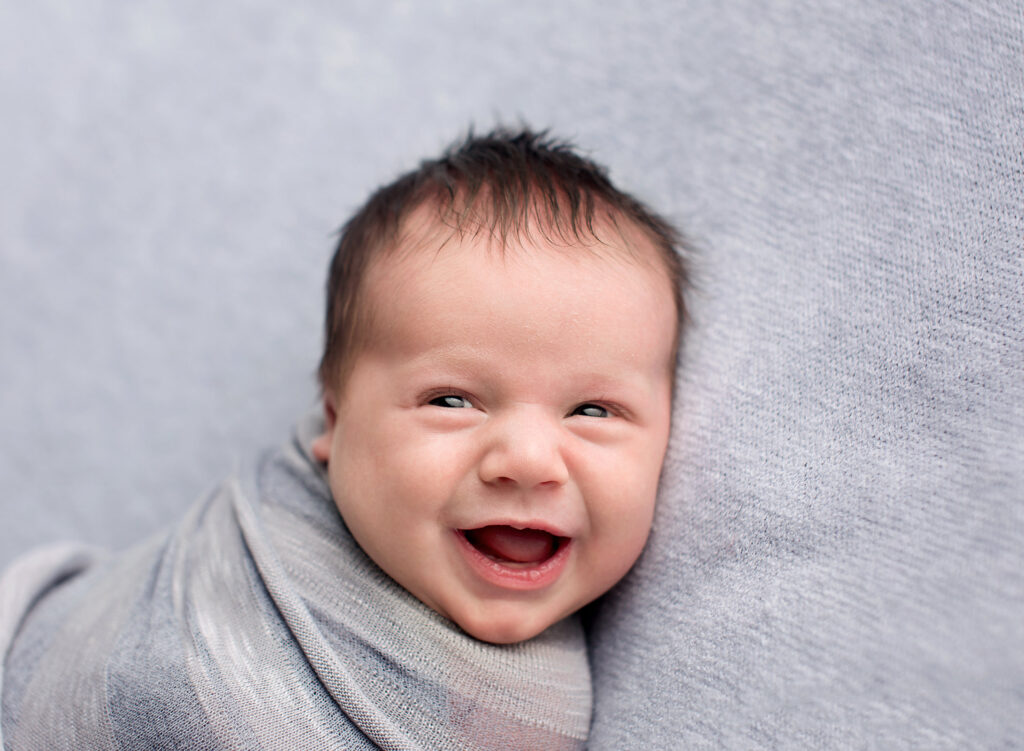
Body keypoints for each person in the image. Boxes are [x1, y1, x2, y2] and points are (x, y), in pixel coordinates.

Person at [0, 128, 688, 749]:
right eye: (451, 400)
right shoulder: (236, 586)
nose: (528, 460)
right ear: (334, 422)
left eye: (593, 411)